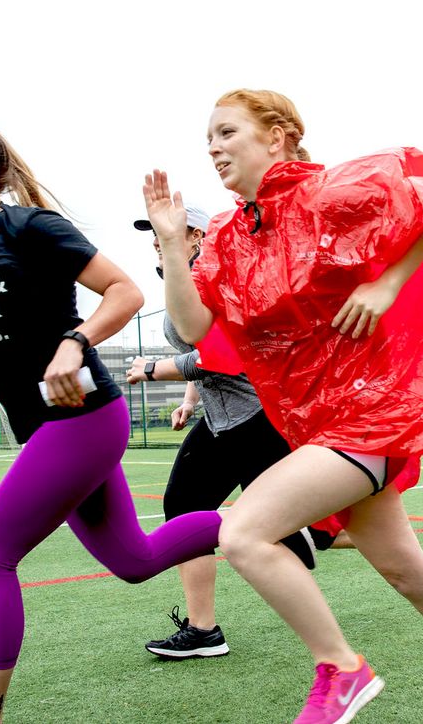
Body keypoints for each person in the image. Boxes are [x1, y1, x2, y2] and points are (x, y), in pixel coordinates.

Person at [142, 89, 423, 724]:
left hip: (370, 413)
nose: (213, 148)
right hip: (313, 422)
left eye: (226, 133)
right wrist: (171, 246)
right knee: (410, 576)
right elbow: (194, 327)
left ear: (278, 136)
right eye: (208, 140)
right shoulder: (225, 235)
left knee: (243, 531)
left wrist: (388, 282)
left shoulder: (329, 193)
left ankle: (342, 670)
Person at [0, 116, 222, 724]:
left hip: (83, 418)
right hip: (45, 432)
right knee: (136, 561)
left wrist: (75, 342)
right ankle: (274, 521)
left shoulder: (30, 227)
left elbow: (123, 291)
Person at [126, 203, 336, 661]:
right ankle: (203, 631)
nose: (156, 241)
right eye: (154, 235)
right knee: (184, 506)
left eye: (167, 233)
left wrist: (152, 368)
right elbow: (205, 357)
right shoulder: (183, 283)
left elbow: (225, 356)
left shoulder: (217, 277)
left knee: (318, 529)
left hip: (258, 418)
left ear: (199, 238)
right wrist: (187, 401)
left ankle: (395, 551)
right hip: (222, 420)